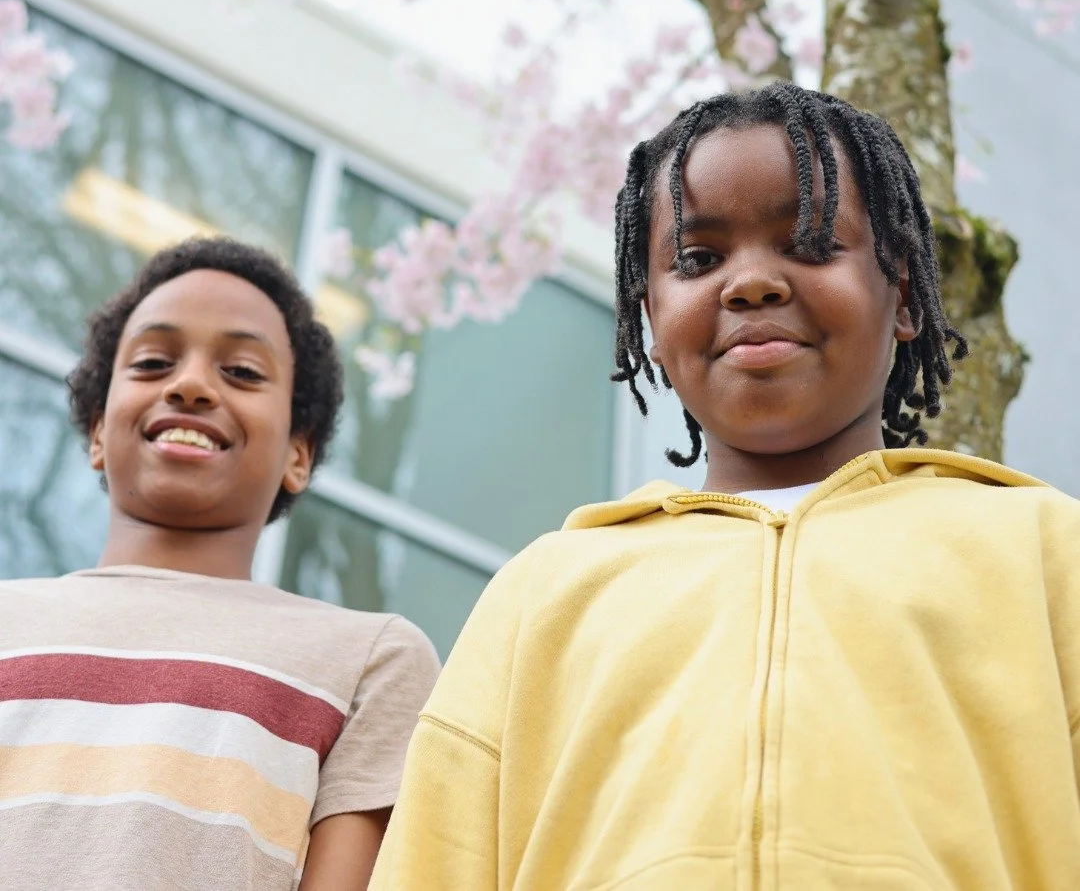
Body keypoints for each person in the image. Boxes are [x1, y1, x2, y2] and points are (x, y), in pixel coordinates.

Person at [371, 82, 1080, 890]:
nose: (750, 284)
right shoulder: (545, 589)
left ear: (907, 293)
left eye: (810, 243)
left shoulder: (1045, 550)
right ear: (649, 322)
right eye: (699, 260)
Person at [0, 237, 439, 891]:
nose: (191, 385)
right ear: (97, 430)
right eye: (153, 362)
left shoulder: (368, 661)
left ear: (299, 453)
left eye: (242, 372)